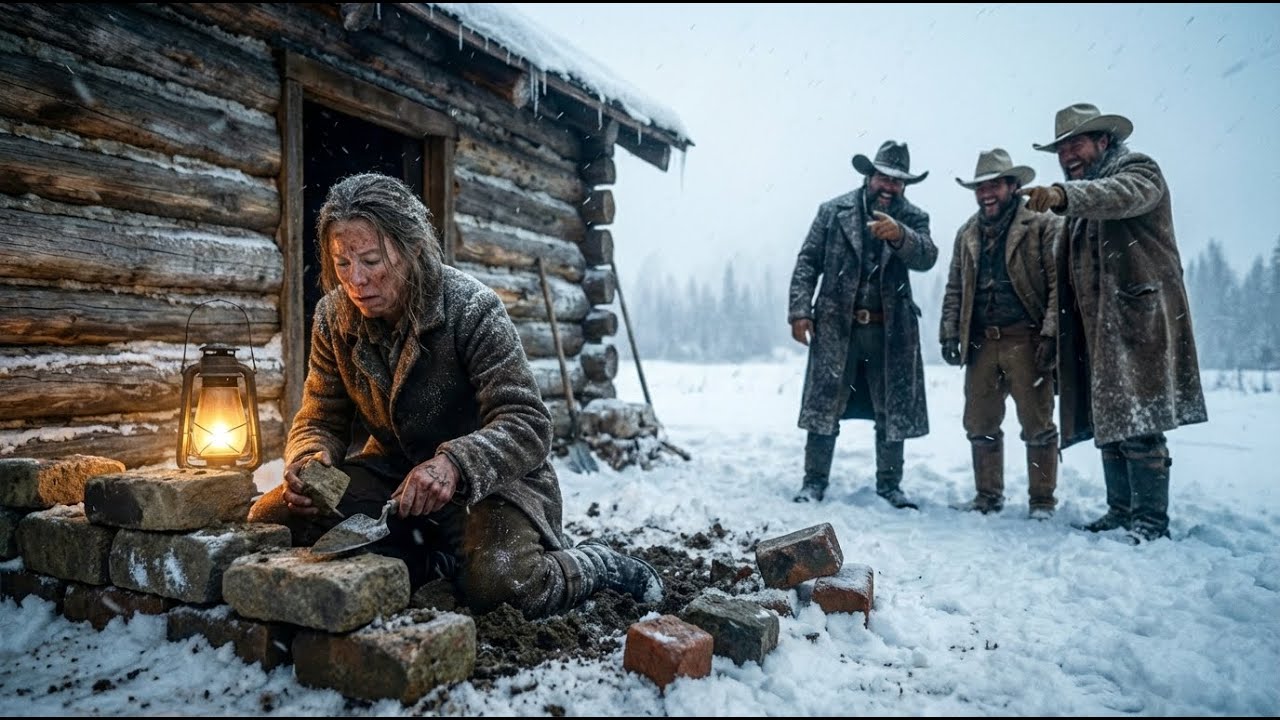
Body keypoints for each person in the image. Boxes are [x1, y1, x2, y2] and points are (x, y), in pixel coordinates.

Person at [247, 172, 662, 617]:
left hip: (490, 485)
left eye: (370, 260)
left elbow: (528, 423)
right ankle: (429, 557)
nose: (356, 280)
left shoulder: (472, 308)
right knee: (275, 521)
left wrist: (453, 464)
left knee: (500, 585)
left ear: (412, 250)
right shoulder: (334, 317)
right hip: (395, 483)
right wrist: (310, 460)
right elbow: (320, 418)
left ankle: (592, 564)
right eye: (343, 264)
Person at [1021, 103, 1207, 543]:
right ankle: (1120, 510)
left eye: (1076, 144)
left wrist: (1066, 197)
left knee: (1140, 423)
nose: (1068, 156)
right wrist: (1055, 329)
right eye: (1061, 149)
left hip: (1137, 320)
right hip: (1093, 328)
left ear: (1103, 140)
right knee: (1109, 420)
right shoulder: (1083, 191)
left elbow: (1123, 195)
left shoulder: (1137, 169)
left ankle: (1149, 520)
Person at [788, 140, 937, 509]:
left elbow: (927, 257)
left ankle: (890, 485)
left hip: (892, 331)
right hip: (838, 327)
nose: (889, 187)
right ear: (869, 176)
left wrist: (900, 236)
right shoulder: (832, 211)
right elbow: (808, 261)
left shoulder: (914, 219)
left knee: (891, 410)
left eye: (898, 182)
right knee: (825, 406)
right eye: (883, 178)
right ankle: (814, 482)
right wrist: (799, 311)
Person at [940, 148, 1062, 519]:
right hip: (980, 342)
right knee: (980, 423)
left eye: (994, 185)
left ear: (1013, 186)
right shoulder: (968, 233)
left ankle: (1042, 501)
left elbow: (1059, 284)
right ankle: (987, 497)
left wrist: (1051, 333)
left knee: (1037, 423)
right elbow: (955, 288)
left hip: (1026, 339)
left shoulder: (1040, 223)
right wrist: (949, 332)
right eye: (981, 187)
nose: (986, 194)